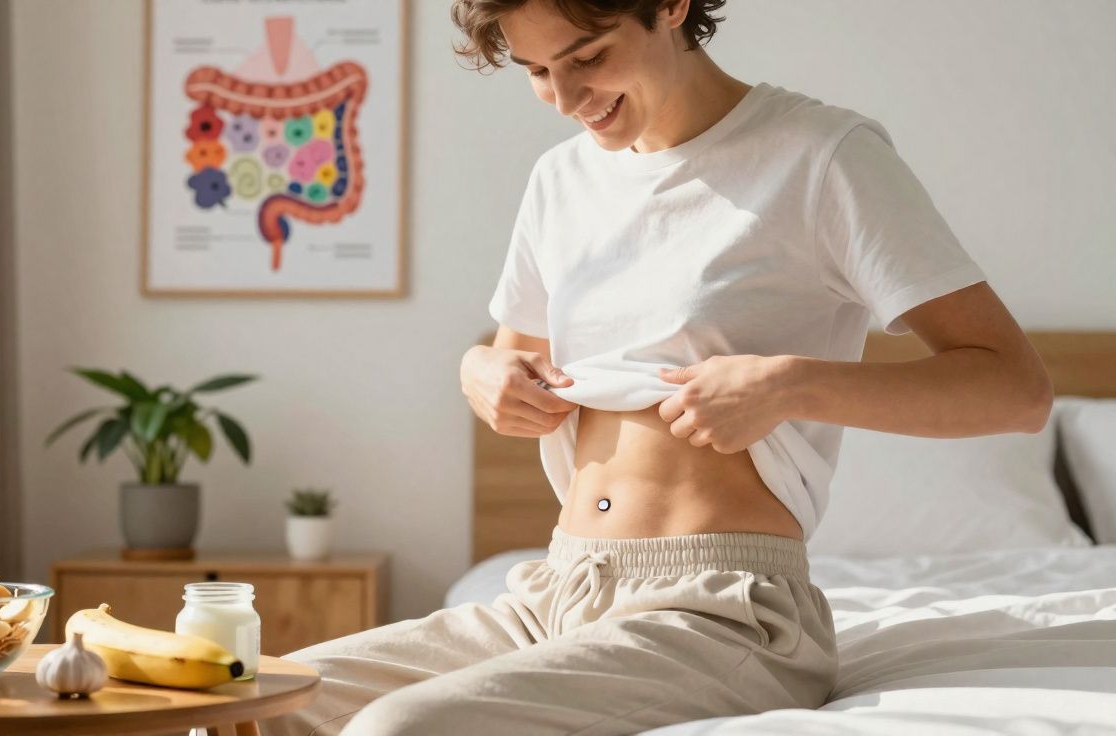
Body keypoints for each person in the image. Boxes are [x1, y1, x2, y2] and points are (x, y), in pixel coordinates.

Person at [258, 1, 1053, 734]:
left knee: (401, 729)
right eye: (537, 72)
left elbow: (1014, 390)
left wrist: (791, 385)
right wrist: (479, 371)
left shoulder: (821, 157)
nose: (567, 99)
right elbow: (512, 359)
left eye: (587, 57)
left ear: (671, 6)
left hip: (722, 611)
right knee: (257, 702)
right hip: (555, 590)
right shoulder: (561, 181)